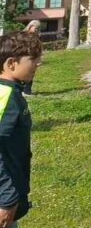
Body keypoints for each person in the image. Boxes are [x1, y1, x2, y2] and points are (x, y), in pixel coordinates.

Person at [0, 31, 42, 228]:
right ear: (11, 63)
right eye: (33, 59)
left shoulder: (11, 93)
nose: (38, 63)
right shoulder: (6, 97)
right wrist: (7, 197)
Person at [20, 23, 39, 97]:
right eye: (35, 28)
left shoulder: (36, 37)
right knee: (26, 73)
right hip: (26, 57)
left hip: (32, 57)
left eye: (37, 28)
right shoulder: (24, 36)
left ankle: (27, 91)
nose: (36, 29)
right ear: (29, 27)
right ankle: (25, 91)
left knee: (31, 74)